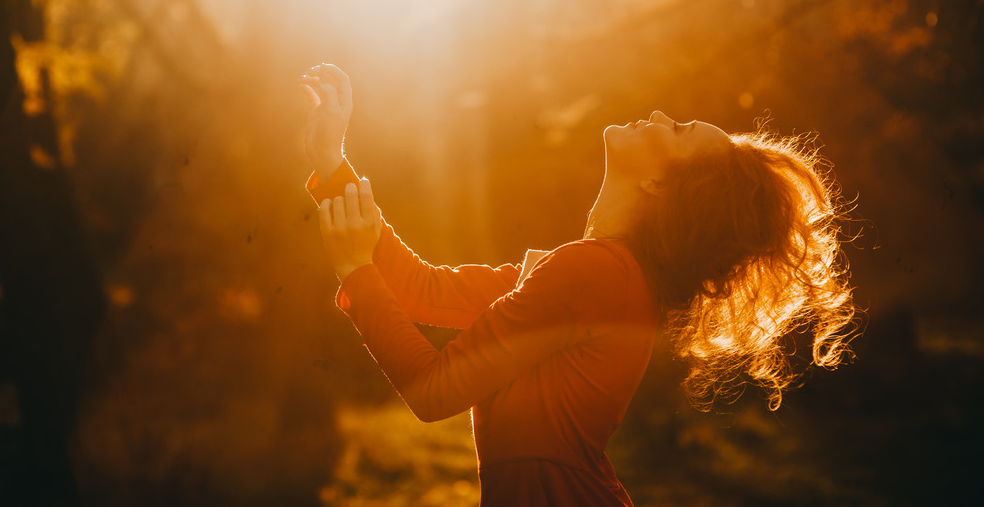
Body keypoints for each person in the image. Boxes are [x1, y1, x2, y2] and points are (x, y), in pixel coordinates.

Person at [299, 64, 856, 507]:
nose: (662, 113)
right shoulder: (595, 272)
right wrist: (330, 162)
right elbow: (424, 290)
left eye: (679, 130)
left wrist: (355, 271)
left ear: (661, 182)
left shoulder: (597, 275)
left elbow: (432, 391)